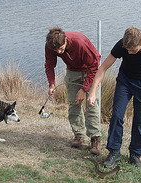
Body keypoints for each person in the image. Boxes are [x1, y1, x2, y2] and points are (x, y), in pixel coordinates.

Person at [87, 26, 141, 167]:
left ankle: (135, 154)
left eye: (133, 50)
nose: (129, 53)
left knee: (140, 120)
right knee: (117, 116)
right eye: (127, 50)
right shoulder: (122, 45)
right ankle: (114, 151)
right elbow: (103, 68)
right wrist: (93, 91)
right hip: (125, 82)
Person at [45, 27, 102, 155]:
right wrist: (52, 84)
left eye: (61, 48)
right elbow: (49, 64)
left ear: (65, 39)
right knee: (73, 103)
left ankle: (95, 138)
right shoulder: (50, 45)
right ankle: (78, 135)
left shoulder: (79, 42)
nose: (59, 52)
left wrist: (84, 89)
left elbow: (94, 65)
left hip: (89, 70)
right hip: (72, 72)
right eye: (56, 50)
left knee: (91, 103)